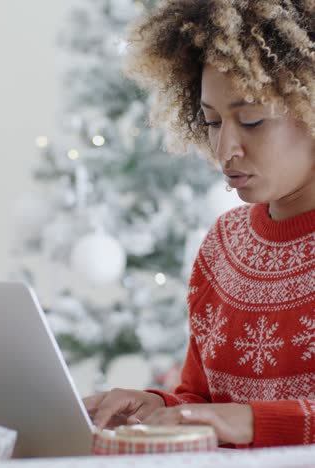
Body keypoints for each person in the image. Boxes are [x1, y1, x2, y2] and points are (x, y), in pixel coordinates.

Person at [84, 0, 315, 448]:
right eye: (211, 121)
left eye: (251, 120)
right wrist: (162, 408)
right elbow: (202, 398)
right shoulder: (223, 246)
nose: (225, 147)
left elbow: (230, 417)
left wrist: (249, 421)